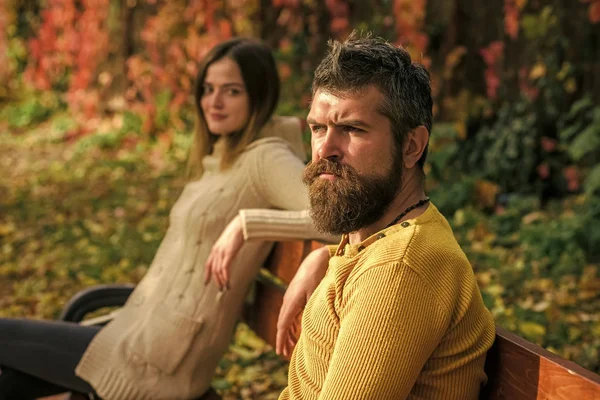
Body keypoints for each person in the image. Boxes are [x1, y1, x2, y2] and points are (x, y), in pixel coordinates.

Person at [0, 37, 334, 400]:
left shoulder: (265, 159)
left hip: (158, 359)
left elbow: (331, 219)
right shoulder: (223, 157)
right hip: (133, 334)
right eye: (208, 89)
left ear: (258, 96)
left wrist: (247, 225)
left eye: (231, 91)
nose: (214, 102)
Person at [275, 33, 496, 399]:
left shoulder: (400, 268)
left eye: (352, 129)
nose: (325, 149)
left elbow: (394, 274)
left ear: (411, 146)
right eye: (318, 128)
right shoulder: (382, 237)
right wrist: (324, 258)